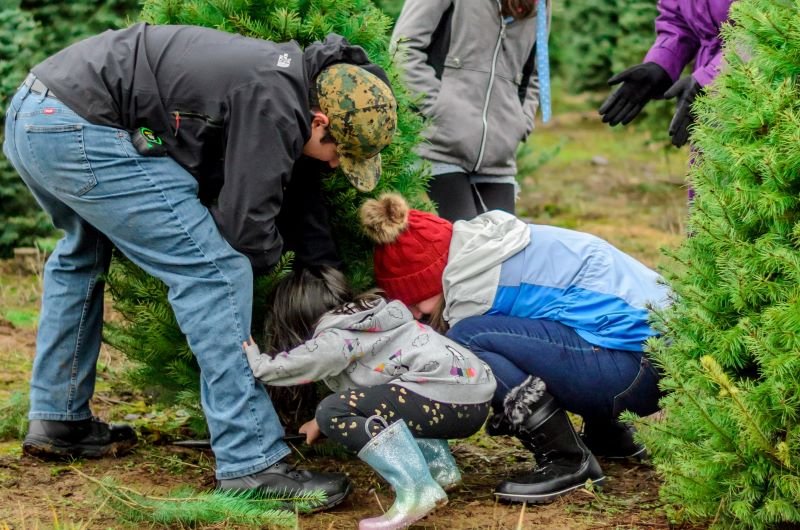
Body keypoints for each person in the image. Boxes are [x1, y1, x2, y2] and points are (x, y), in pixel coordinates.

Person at [3, 22, 397, 509]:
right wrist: (272, 274)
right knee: (216, 273)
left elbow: (264, 185)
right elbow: (245, 229)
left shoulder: (282, 77)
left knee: (82, 255)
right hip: (79, 126)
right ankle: (250, 460)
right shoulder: (276, 103)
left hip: (37, 112)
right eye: (339, 152)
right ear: (319, 122)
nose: (335, 165)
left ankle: (58, 417)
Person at [358, 193, 670, 504]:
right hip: (661, 360)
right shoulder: (492, 245)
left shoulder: (472, 289)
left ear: (429, 280)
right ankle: (608, 435)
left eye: (412, 301)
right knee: (560, 323)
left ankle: (568, 460)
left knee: (466, 340)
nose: (414, 313)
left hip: (635, 374)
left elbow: (460, 373)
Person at [244, 267, 495, 529]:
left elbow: (297, 364)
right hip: (472, 398)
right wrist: (318, 423)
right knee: (397, 398)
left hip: (444, 397)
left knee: (332, 411)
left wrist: (257, 362)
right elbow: (380, 395)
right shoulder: (372, 319)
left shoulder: (335, 336)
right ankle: (439, 469)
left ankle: (418, 491)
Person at [390, 0, 551, 222]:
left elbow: (535, 73)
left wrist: (521, 123)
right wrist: (437, 109)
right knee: (471, 237)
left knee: (505, 238)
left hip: (498, 153)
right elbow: (404, 48)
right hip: (440, 145)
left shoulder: (541, 4)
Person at [598, 0, 736, 148]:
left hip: (748, 82)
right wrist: (662, 62)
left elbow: (753, 32)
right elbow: (678, 19)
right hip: (711, 72)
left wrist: (710, 77)